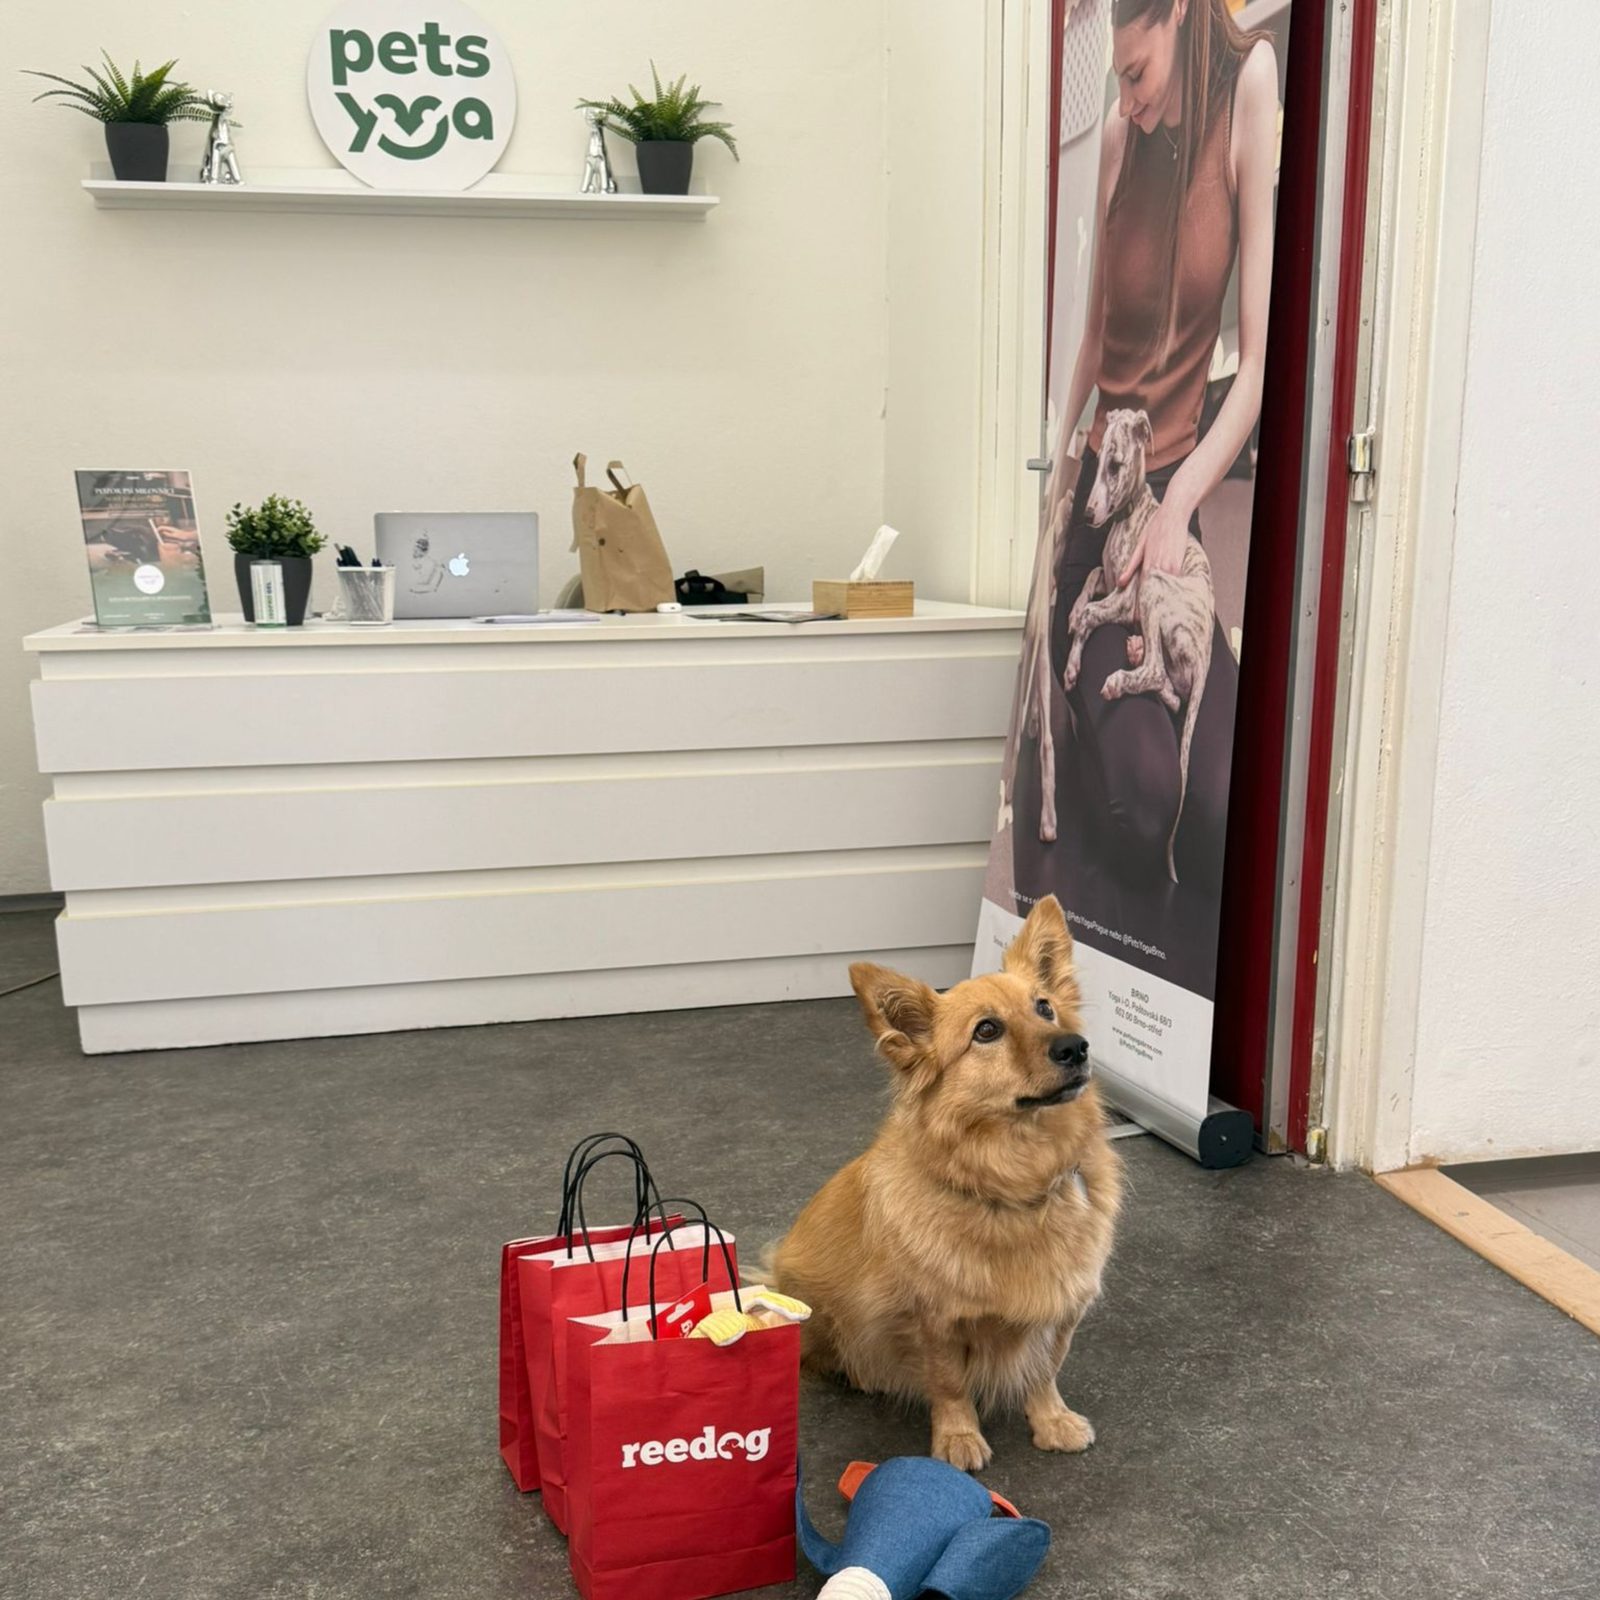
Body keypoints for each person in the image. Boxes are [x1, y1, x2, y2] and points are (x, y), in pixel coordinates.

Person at [1041, 0, 1278, 887]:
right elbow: (1093, 342)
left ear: (1179, 11)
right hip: (1102, 519)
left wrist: (1177, 507)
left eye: (1136, 74)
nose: (1128, 99)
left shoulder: (1249, 86)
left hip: (1171, 512)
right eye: (1118, 78)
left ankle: (1129, 710)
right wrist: (1055, 475)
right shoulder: (1119, 137)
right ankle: (1089, 720)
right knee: (1146, 802)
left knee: (1221, 807)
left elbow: (1256, 370)